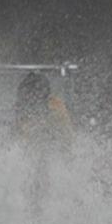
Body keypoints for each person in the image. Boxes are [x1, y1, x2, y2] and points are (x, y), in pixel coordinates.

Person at [12, 71, 73, 209]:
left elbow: (65, 140)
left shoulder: (55, 108)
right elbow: (18, 140)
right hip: (37, 162)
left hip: (52, 160)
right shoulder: (24, 109)